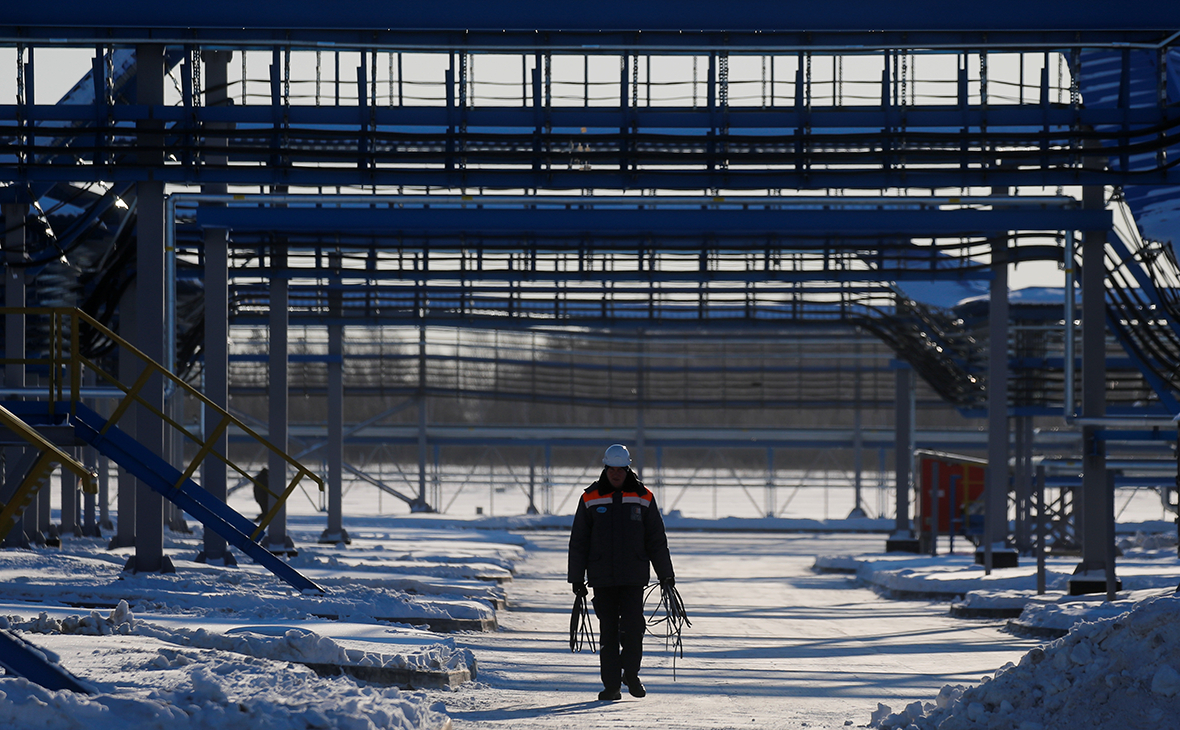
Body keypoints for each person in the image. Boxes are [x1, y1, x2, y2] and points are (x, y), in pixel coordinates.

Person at [568, 443, 675, 701]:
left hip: (633, 576)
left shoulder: (644, 497)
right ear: (606, 468)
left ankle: (631, 674)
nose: (616, 474)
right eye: (612, 469)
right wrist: (576, 578)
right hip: (602, 578)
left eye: (621, 469)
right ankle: (611, 686)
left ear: (628, 469)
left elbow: (656, 540)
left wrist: (666, 575)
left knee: (634, 628)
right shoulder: (590, 498)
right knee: (609, 633)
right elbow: (579, 540)